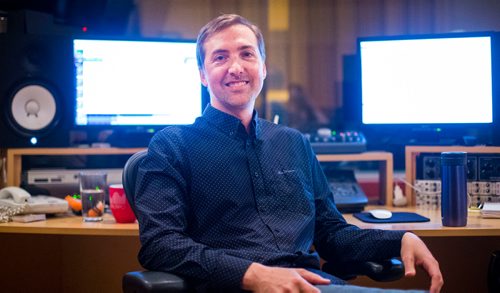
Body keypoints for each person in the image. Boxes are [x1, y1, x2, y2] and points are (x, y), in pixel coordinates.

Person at [134, 14, 443, 292]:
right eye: (220, 57)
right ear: (202, 74)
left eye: (247, 54)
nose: (236, 67)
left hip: (313, 286)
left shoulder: (293, 142)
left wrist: (400, 238)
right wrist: (254, 275)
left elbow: (331, 234)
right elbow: (160, 245)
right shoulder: (172, 145)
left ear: (263, 68)